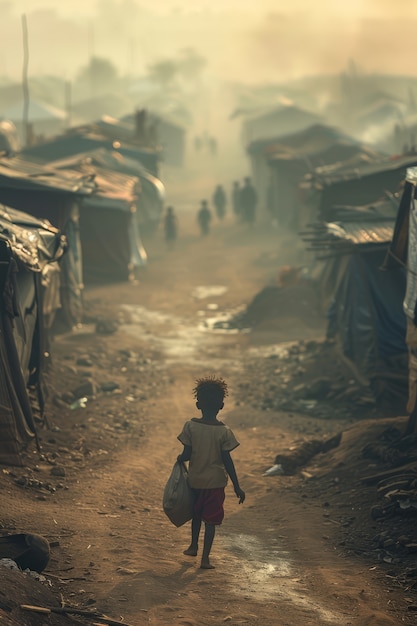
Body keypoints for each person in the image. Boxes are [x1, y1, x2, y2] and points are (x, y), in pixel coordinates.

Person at [177, 376, 245, 570]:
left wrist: (180, 459)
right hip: (215, 484)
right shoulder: (224, 432)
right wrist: (237, 486)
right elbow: (227, 460)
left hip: (195, 481)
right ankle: (205, 559)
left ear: (198, 404)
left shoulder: (190, 426)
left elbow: (187, 454)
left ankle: (192, 546)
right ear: (221, 406)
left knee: (196, 514)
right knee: (211, 521)